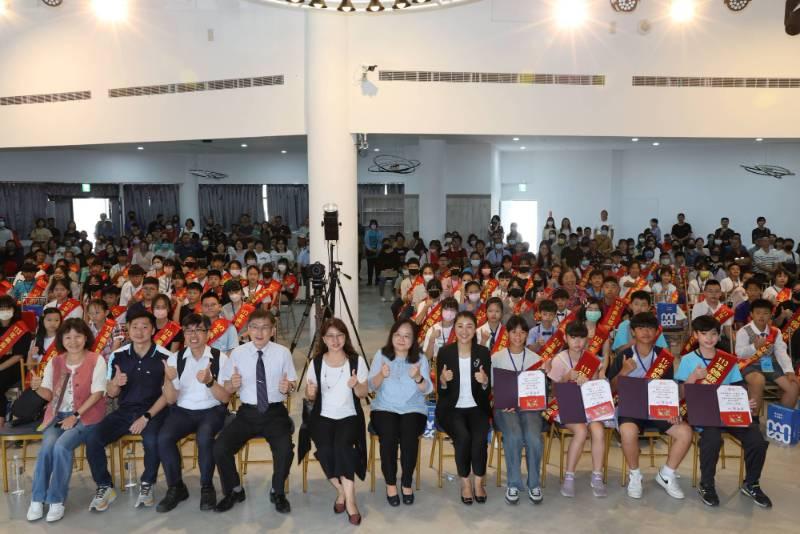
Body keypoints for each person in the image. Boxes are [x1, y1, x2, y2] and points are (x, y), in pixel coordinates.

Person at [675, 315, 772, 508]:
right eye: (704, 334)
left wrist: (746, 402)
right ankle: (707, 484)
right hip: (703, 413)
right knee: (712, 439)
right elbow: (680, 394)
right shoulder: (687, 360)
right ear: (695, 335)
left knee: (757, 440)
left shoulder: (727, 360)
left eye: (713, 334)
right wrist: (693, 376)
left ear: (719, 336)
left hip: (729, 411)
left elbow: (738, 387)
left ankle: (751, 483)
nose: (709, 338)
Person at [84, 309, 171, 512]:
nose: (139, 331)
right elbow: (112, 393)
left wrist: (147, 416)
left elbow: (167, 395)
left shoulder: (165, 356)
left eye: (145, 327)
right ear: (128, 329)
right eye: (134, 327)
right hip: (125, 411)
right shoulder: (118, 355)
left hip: (154, 412)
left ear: (152, 330)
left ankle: (147, 483)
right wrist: (115, 383)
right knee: (93, 438)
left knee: (152, 441)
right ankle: (104, 485)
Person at [212, 310, 296, 514]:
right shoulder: (237, 354)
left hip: (275, 413)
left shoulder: (283, 352)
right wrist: (232, 385)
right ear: (248, 330)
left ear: (273, 330)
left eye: (265, 327)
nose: (260, 332)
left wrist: (289, 387)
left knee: (285, 450)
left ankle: (278, 491)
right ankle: (234, 489)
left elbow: (292, 382)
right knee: (220, 447)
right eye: (255, 327)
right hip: (247, 413)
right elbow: (226, 387)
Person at [27, 319, 107, 523]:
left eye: (78, 336)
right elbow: (48, 394)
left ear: (85, 338)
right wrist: (36, 387)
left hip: (87, 416)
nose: (73, 341)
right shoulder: (55, 361)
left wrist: (76, 415)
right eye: (68, 337)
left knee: (61, 447)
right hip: (57, 415)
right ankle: (37, 499)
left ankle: (56, 500)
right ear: (61, 339)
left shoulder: (96, 359)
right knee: (47, 448)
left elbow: (98, 393)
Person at [607, 313, 692, 500]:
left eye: (650, 328)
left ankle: (667, 474)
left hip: (657, 407)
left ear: (656, 332)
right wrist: (623, 372)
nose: (646, 332)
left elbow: (668, 387)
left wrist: (673, 411)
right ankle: (635, 475)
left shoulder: (664, 357)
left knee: (685, 432)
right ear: (633, 331)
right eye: (641, 328)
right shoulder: (624, 355)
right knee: (628, 432)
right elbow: (611, 388)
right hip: (630, 406)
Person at [302, 318, 368, 525]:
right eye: (330, 336)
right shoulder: (317, 362)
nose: (335, 340)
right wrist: (310, 393)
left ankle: (350, 502)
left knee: (342, 447)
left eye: (339, 335)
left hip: (349, 416)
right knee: (325, 450)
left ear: (345, 337)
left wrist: (356, 385)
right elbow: (310, 395)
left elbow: (364, 393)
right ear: (323, 339)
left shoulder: (356, 361)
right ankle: (345, 492)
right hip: (322, 416)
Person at [368, 319, 433, 506]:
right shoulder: (381, 355)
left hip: (413, 408)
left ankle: (406, 482)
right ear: (392, 336)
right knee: (388, 437)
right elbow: (371, 385)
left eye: (407, 336)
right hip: (384, 407)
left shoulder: (421, 359)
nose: (402, 339)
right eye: (398, 335)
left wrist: (418, 377)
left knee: (408, 437)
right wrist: (382, 374)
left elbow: (428, 389)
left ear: (413, 340)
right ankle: (390, 483)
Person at [436, 311, 492, 505]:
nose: (464, 331)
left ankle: (479, 482)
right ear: (454, 328)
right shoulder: (445, 352)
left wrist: (485, 382)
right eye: (460, 326)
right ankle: (465, 482)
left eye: (469, 326)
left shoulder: (483, 353)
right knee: (464, 437)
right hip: (452, 408)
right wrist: (443, 381)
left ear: (475, 328)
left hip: (477, 407)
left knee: (479, 439)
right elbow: (441, 392)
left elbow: (487, 391)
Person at [547, 321, 606, 498]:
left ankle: (597, 475)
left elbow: (596, 385)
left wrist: (589, 380)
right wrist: (567, 377)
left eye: (581, 338)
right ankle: (569, 477)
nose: (578, 342)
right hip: (566, 405)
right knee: (580, 431)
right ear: (566, 338)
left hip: (587, 405)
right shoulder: (559, 359)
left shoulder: (592, 359)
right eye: (573, 337)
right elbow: (553, 390)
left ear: (586, 340)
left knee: (598, 431)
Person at [492, 315, 544, 505]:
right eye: (514, 332)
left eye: (522, 332)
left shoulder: (536, 359)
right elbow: (491, 386)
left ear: (527, 335)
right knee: (513, 435)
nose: (518, 336)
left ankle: (534, 483)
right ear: (507, 334)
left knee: (533, 437)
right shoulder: (496, 358)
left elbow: (540, 390)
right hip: (505, 408)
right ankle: (513, 483)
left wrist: (546, 372)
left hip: (530, 409)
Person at [734, 299, 799, 411]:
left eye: (765, 313)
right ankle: (754, 419)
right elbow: (739, 353)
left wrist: (789, 371)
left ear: (771, 315)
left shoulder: (775, 332)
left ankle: (780, 420)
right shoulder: (744, 331)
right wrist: (754, 347)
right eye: (758, 313)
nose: (761, 316)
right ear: (751, 314)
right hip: (749, 365)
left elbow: (781, 352)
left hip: (770, 365)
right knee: (758, 380)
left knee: (793, 386)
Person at [0, 295, 34, 428]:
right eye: (1, 308)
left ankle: (1, 423)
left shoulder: (21, 329)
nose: (4, 311)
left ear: (14, 310)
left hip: (14, 367)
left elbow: (18, 356)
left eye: (7, 308)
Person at [364, 220, 384, 286]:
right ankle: (369, 282)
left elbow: (381, 242)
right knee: (370, 268)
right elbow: (366, 242)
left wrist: (378, 249)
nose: (373, 226)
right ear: (370, 225)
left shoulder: (380, 232)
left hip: (378, 252)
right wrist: (371, 249)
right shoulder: (367, 233)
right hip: (370, 252)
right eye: (372, 224)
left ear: (377, 225)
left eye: (375, 224)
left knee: (378, 268)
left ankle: (377, 281)